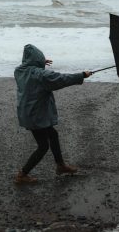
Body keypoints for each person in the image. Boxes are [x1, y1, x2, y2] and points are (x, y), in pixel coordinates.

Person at [14, 44, 92, 184]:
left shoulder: (19, 71)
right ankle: (22, 174)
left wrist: (40, 63)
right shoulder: (40, 75)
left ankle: (60, 165)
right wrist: (82, 75)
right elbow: (61, 79)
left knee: (53, 134)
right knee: (43, 146)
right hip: (36, 115)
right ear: (37, 59)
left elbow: (32, 71)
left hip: (27, 112)